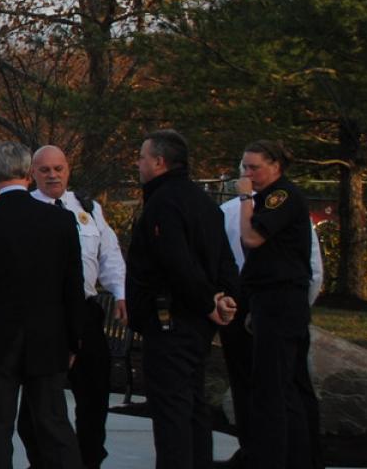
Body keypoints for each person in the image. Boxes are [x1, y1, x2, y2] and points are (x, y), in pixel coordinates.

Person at [0, 142, 83, 469]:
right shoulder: (61, 222)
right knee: (53, 424)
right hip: (48, 339)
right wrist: (73, 339)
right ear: (28, 174)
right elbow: (72, 287)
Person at [126, 129, 239, 469]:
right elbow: (224, 259)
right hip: (197, 325)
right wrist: (226, 297)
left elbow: (175, 262)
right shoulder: (204, 203)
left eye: (143, 157)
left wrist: (208, 302)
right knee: (193, 404)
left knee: (172, 410)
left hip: (170, 320)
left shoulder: (164, 203)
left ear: (159, 162)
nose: (139, 163)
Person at [19, 145, 127, 469]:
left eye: (59, 168)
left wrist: (121, 292)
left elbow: (109, 254)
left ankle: (88, 459)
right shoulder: (24, 211)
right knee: (39, 400)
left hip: (85, 312)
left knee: (93, 395)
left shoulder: (87, 208)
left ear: (68, 170)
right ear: (32, 174)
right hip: (45, 315)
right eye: (45, 170)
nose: (53, 175)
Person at [218, 158, 326, 469]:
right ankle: (261, 451)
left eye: (254, 168)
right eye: (242, 168)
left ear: (276, 167)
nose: (246, 175)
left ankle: (291, 455)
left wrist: (297, 305)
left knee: (282, 386)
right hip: (247, 302)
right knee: (260, 386)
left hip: (277, 302)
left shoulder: (284, 202)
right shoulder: (228, 213)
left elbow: (309, 263)